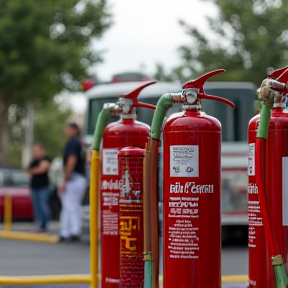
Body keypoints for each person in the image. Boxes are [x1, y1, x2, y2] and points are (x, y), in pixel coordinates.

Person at [59, 121, 86, 242]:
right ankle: (68, 231)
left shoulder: (72, 142)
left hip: (73, 178)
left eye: (68, 128)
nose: (66, 131)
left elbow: (72, 159)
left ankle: (72, 231)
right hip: (79, 177)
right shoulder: (79, 142)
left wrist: (65, 179)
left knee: (70, 206)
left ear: (74, 130)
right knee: (71, 206)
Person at [27, 143, 51, 233]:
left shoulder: (45, 159)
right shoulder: (34, 161)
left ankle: (44, 225)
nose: (35, 153)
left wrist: (33, 171)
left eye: (37, 151)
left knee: (43, 206)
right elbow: (28, 171)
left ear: (42, 151)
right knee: (36, 207)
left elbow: (42, 169)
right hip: (34, 187)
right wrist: (33, 171)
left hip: (43, 187)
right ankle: (39, 225)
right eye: (34, 151)